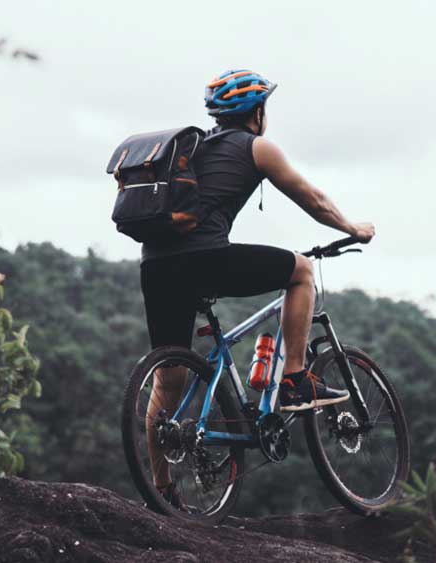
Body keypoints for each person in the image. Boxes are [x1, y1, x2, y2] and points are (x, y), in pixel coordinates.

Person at [141, 69, 374, 501]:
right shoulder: (257, 147)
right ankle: (294, 379)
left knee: (166, 379)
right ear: (258, 112)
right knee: (301, 270)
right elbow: (314, 200)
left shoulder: (193, 150)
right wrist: (352, 228)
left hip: (155, 266)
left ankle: (161, 490)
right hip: (205, 258)